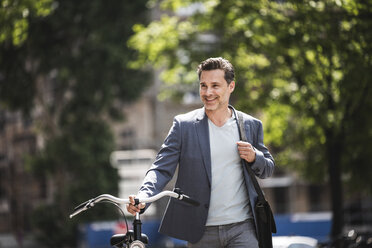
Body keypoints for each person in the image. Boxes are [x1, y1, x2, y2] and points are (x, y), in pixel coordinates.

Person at [126, 57, 275, 248]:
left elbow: (268, 169)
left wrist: (255, 156)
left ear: (231, 86)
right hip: (201, 231)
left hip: (243, 228)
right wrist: (144, 196)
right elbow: (161, 168)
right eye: (203, 85)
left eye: (215, 85)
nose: (208, 92)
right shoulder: (184, 126)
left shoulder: (250, 125)